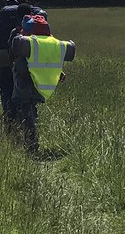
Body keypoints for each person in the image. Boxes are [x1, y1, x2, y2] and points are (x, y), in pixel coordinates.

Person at [8, 15, 76, 153]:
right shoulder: (52, 44)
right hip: (39, 82)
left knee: (26, 112)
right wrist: (59, 73)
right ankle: (31, 140)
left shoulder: (29, 43)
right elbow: (48, 60)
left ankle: (31, 145)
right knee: (30, 111)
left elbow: (22, 64)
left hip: (25, 82)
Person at [0, 0, 22, 116]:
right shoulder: (22, 11)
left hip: (4, 52)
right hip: (22, 53)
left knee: (5, 82)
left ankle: (7, 108)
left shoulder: (1, 13)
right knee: (20, 82)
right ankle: (21, 109)